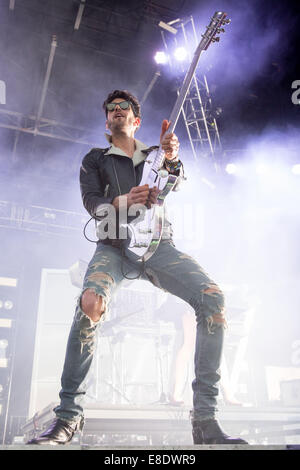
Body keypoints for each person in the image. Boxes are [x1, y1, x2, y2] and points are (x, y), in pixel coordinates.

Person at [27, 90, 247, 445]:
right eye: (110, 109)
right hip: (113, 247)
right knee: (90, 304)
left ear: (136, 120)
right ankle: (68, 419)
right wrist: (122, 200)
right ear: (107, 121)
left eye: (123, 107)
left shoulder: (157, 155)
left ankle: (205, 420)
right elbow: (91, 202)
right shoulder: (95, 159)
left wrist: (173, 159)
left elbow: (172, 185)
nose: (116, 111)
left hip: (159, 246)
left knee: (214, 300)